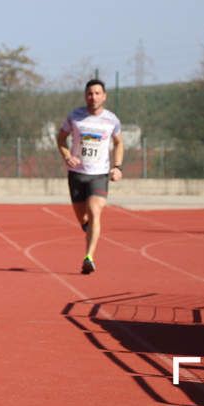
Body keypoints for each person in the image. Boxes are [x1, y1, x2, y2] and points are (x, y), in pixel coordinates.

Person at [56, 79, 123, 275]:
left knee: (95, 210)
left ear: (104, 96)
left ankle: (89, 257)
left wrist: (117, 167)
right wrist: (68, 156)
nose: (93, 97)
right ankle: (89, 228)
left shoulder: (112, 120)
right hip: (77, 175)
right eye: (89, 93)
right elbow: (60, 139)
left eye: (97, 93)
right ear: (85, 96)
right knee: (82, 218)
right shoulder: (75, 116)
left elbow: (119, 143)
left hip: (99, 175)